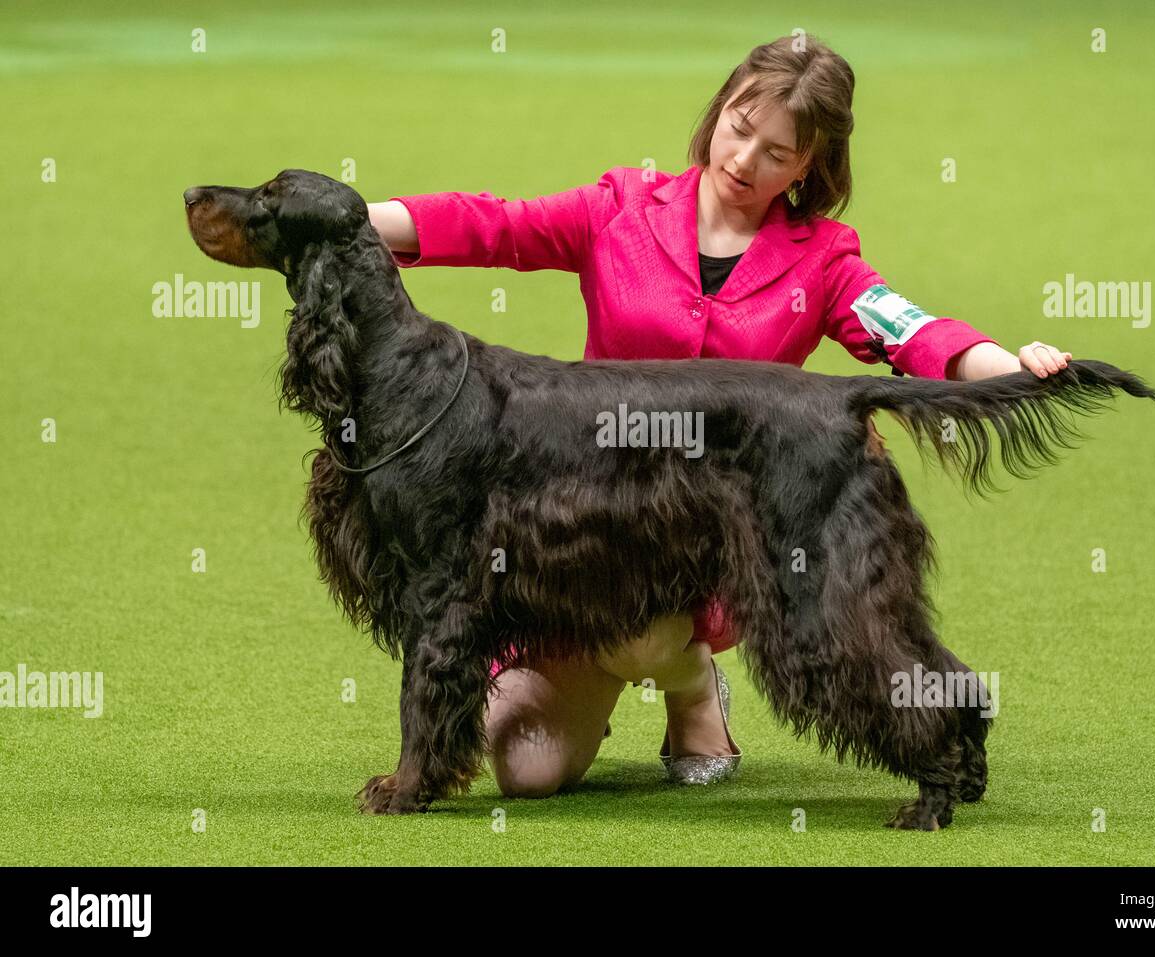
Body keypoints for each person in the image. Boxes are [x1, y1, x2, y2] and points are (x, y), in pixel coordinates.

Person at [366, 35, 1072, 799]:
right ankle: (651, 670)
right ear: (719, 110)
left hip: (723, 547)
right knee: (528, 769)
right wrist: (350, 221)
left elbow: (909, 329)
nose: (743, 160)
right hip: (588, 538)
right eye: (739, 126)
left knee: (656, 629)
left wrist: (1007, 366)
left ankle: (691, 683)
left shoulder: (824, 259)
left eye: (777, 152)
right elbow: (492, 225)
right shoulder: (622, 208)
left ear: (808, 166)